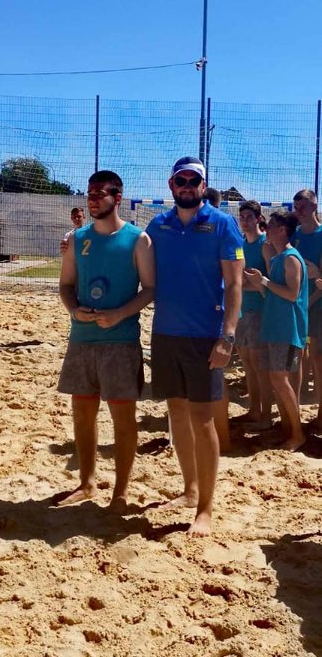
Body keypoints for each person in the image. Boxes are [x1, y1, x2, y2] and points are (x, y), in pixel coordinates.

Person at [145, 156, 244, 537]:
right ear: (171, 185)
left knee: (203, 419)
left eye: (193, 181)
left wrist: (228, 336)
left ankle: (205, 509)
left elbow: (234, 285)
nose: (187, 186)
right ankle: (189, 490)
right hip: (166, 333)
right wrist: (73, 241)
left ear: (203, 186)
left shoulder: (222, 224)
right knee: (176, 412)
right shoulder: (158, 225)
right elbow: (130, 256)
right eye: (180, 180)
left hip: (206, 335)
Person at [56, 170, 154, 513]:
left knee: (123, 420)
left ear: (118, 197)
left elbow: (150, 289)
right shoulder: (77, 238)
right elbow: (65, 286)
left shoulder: (138, 240)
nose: (93, 199)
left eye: (100, 193)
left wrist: (120, 314)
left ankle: (120, 493)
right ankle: (87, 483)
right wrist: (74, 310)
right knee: (83, 415)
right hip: (82, 338)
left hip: (120, 341)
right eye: (90, 193)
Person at [245, 211, 308, 451]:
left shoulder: (291, 258)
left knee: (282, 380)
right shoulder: (278, 259)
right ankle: (287, 430)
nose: (266, 228)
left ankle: (298, 434)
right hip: (275, 327)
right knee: (277, 380)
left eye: (270, 225)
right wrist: (260, 283)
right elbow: (272, 294)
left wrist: (264, 281)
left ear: (282, 230)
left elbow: (291, 294)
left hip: (288, 329)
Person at [235, 201, 275, 430]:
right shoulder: (240, 245)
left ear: (259, 218)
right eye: (242, 217)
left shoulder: (265, 245)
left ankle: (266, 416)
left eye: (249, 217)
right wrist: (242, 284)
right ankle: (254, 410)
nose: (245, 221)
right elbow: (238, 277)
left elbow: (268, 282)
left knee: (260, 366)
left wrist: (244, 284)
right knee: (247, 364)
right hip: (242, 310)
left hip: (260, 310)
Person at [292, 189, 322, 437]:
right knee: (298, 359)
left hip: (317, 306)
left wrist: (318, 276)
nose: (299, 211)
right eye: (296, 207)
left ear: (314, 206)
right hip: (298, 307)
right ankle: (295, 416)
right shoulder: (295, 235)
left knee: (318, 361)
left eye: (303, 207)